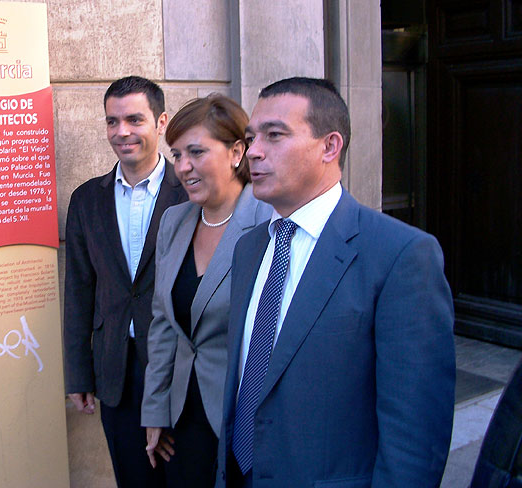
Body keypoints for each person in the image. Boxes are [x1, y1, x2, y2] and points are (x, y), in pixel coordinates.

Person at [215, 77, 456, 487]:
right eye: (252, 137)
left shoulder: (401, 255)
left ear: (330, 146)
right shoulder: (249, 247)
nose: (252, 152)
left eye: (275, 135)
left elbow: (415, 439)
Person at [63, 76, 188, 488]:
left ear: (161, 122)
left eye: (134, 119)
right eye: (112, 121)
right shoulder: (86, 200)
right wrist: (79, 374)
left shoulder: (190, 192)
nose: (122, 132)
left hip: (179, 368)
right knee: (134, 480)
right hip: (116, 368)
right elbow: (79, 291)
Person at [141, 95, 271, 487]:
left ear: (236, 152)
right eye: (176, 154)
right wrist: (155, 410)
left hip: (246, 421)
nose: (182, 167)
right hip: (183, 421)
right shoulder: (174, 221)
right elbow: (163, 322)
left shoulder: (270, 222)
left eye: (196, 152)